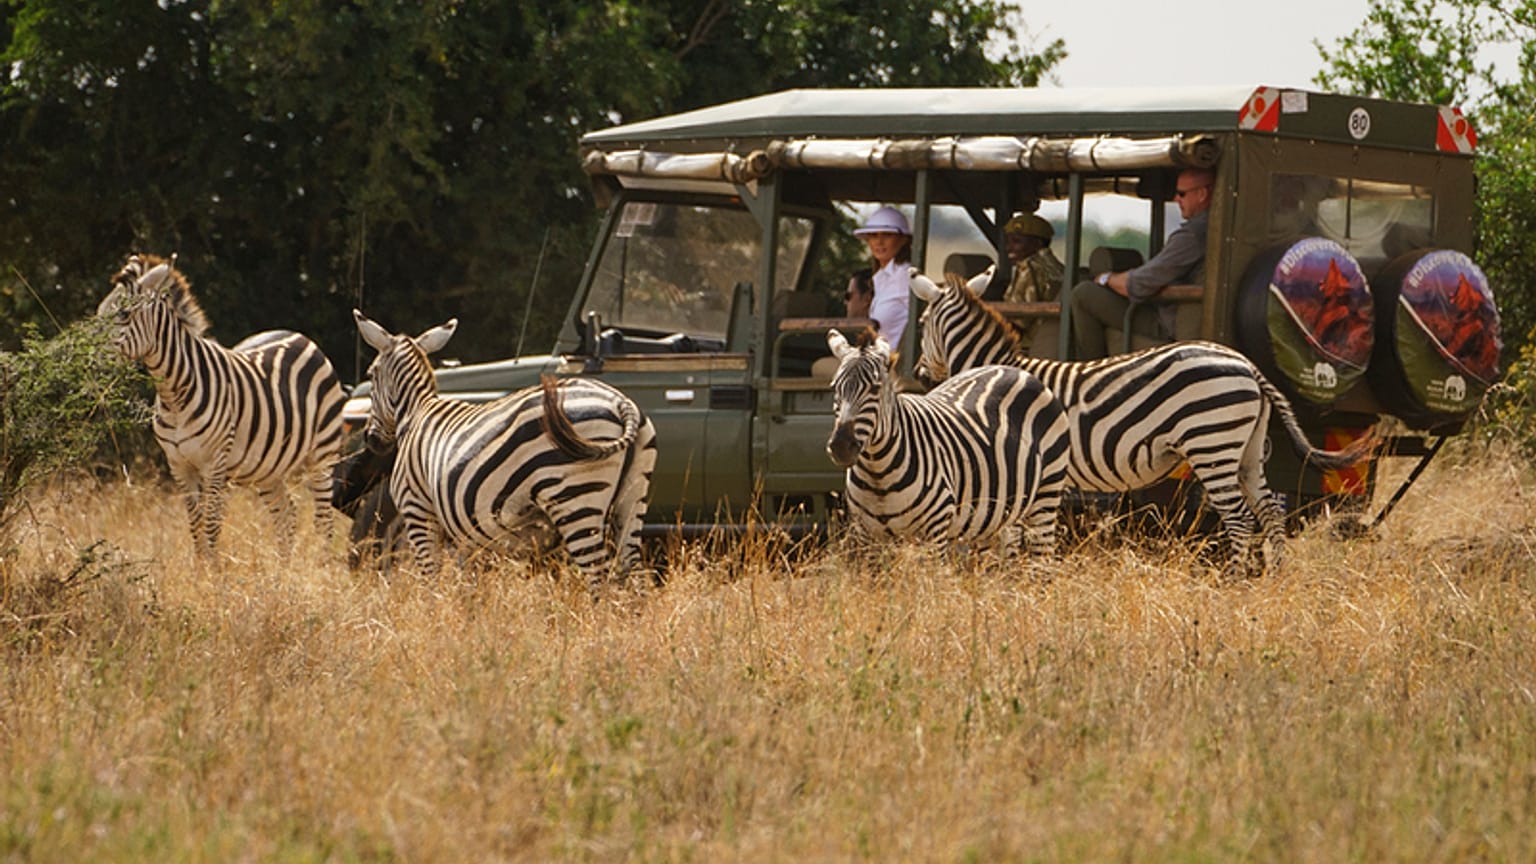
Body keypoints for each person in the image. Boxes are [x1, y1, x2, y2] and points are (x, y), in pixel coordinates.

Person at [1070, 167, 1214, 360]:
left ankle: (1092, 371)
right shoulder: (1218, 227)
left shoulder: (1193, 235)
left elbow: (1139, 284)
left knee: (1083, 293)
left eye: (1181, 194)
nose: (1176, 200)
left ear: (1202, 194)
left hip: (1168, 322)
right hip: (1180, 316)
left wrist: (1107, 278)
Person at [853, 205, 914, 345]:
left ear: (903, 240)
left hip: (895, 362)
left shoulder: (905, 276)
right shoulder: (880, 277)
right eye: (874, 235)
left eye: (887, 235)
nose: (879, 242)